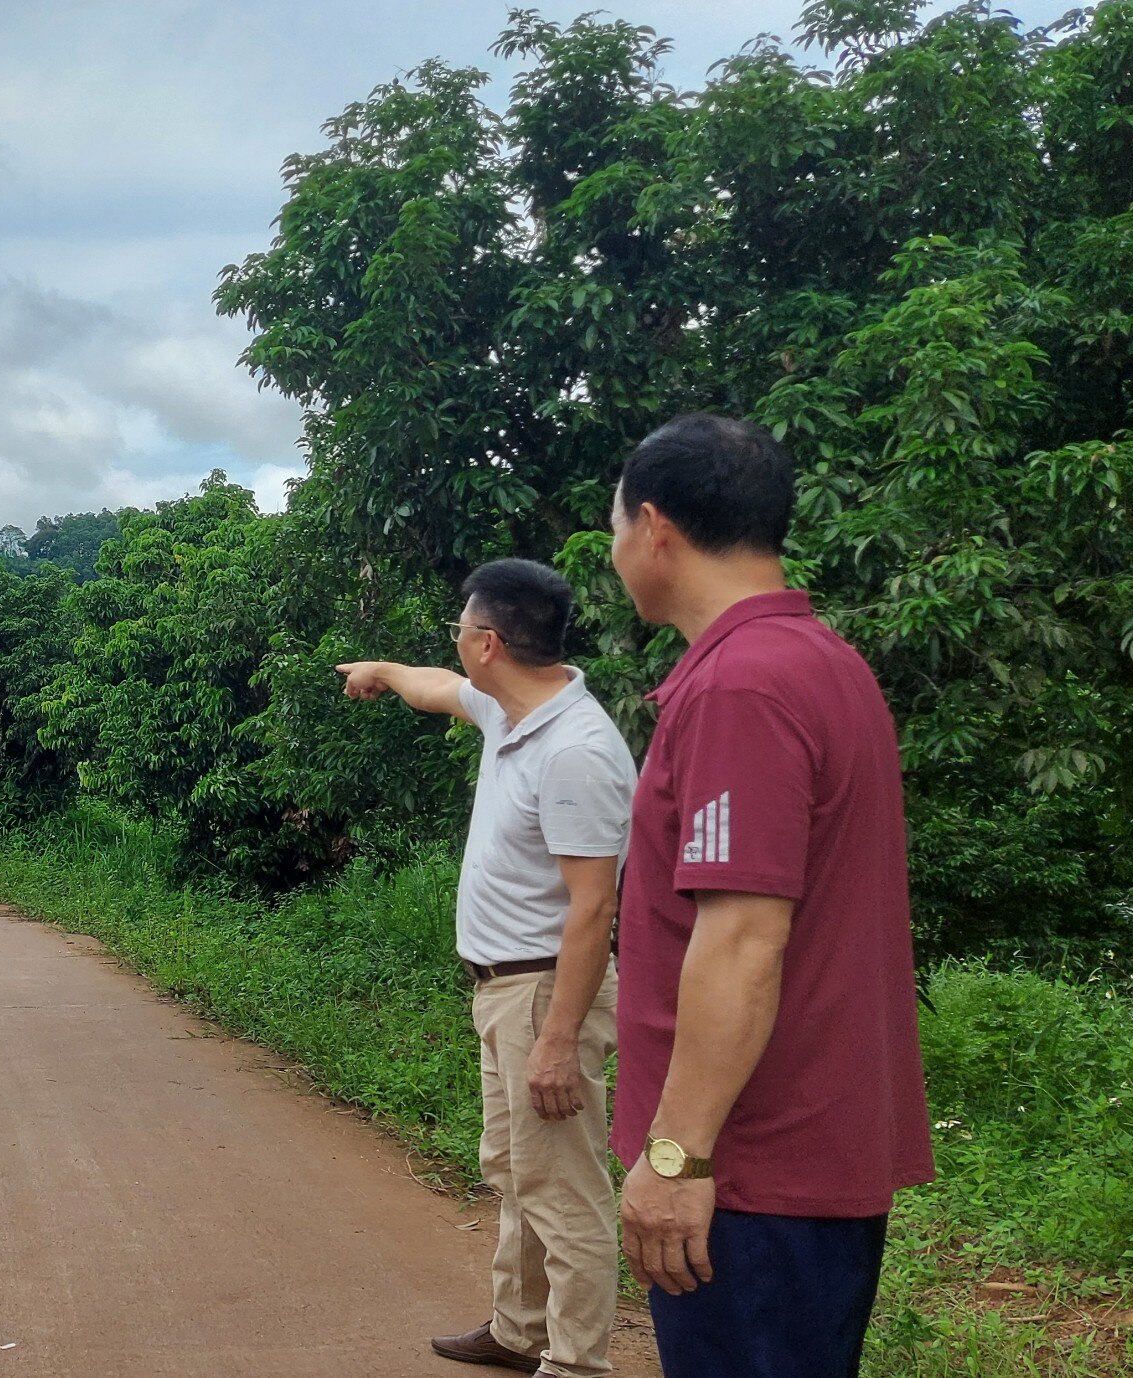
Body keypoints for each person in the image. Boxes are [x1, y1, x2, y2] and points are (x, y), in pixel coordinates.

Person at [606, 414, 934, 1378]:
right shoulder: (815, 659)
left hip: (752, 1174)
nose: (619, 547)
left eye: (617, 524)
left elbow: (744, 939)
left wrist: (677, 1160)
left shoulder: (740, 689)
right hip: (791, 1167)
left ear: (656, 527)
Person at [339, 558, 635, 1378]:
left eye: (461, 631)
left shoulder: (573, 750)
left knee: (564, 1186)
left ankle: (575, 1363)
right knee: (516, 1169)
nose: (457, 645)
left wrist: (556, 1038)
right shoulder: (511, 711)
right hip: (508, 990)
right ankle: (518, 1329)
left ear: (490, 643)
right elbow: (435, 687)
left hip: (547, 993)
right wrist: (382, 672)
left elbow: (594, 909)